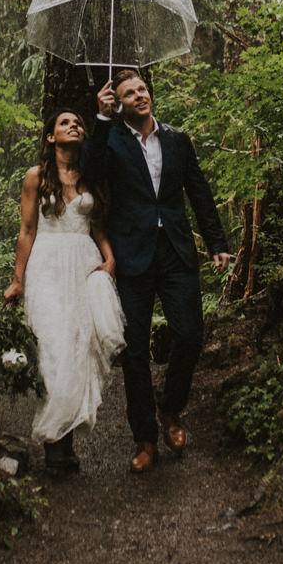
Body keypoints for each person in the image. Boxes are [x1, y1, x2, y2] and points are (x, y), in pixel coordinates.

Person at [84, 69, 233, 474]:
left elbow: (198, 192)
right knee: (134, 353)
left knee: (189, 335)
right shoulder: (111, 140)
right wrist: (99, 120)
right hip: (132, 255)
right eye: (129, 93)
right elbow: (90, 176)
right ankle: (145, 438)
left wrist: (217, 243)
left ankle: (170, 407)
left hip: (176, 253)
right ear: (119, 103)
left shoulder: (177, 139)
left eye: (142, 89)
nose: (139, 96)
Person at [3, 109, 125, 475]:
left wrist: (110, 258)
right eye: (64, 123)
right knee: (54, 348)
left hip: (84, 264)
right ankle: (56, 445)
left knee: (78, 347)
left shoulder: (90, 179)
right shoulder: (35, 177)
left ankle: (64, 441)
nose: (74, 125)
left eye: (79, 123)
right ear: (51, 137)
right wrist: (18, 279)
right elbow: (27, 230)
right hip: (47, 266)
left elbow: (97, 228)